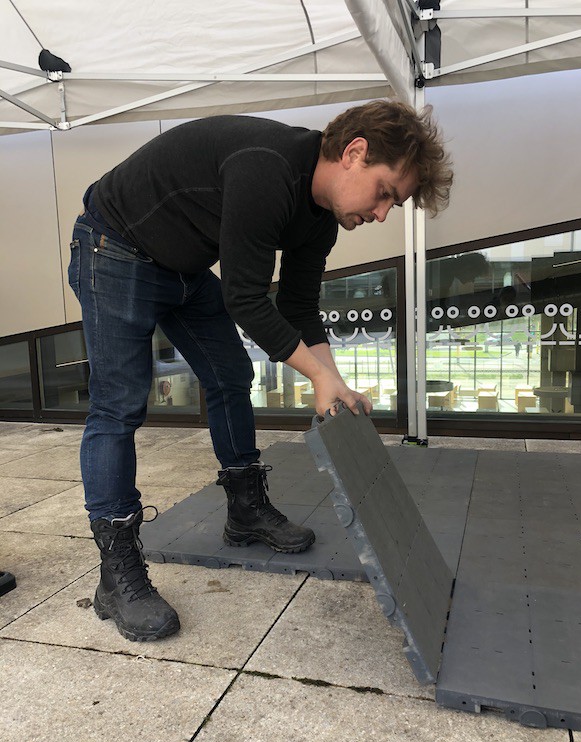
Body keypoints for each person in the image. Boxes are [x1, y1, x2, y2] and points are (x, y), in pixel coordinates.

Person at [68, 100, 453, 642]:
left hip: (181, 265)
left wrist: (334, 382)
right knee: (119, 405)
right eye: (385, 192)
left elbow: (298, 308)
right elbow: (246, 298)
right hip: (115, 248)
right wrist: (317, 377)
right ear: (354, 153)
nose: (383, 213)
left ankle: (245, 510)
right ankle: (116, 574)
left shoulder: (320, 220)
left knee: (230, 376)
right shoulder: (266, 168)